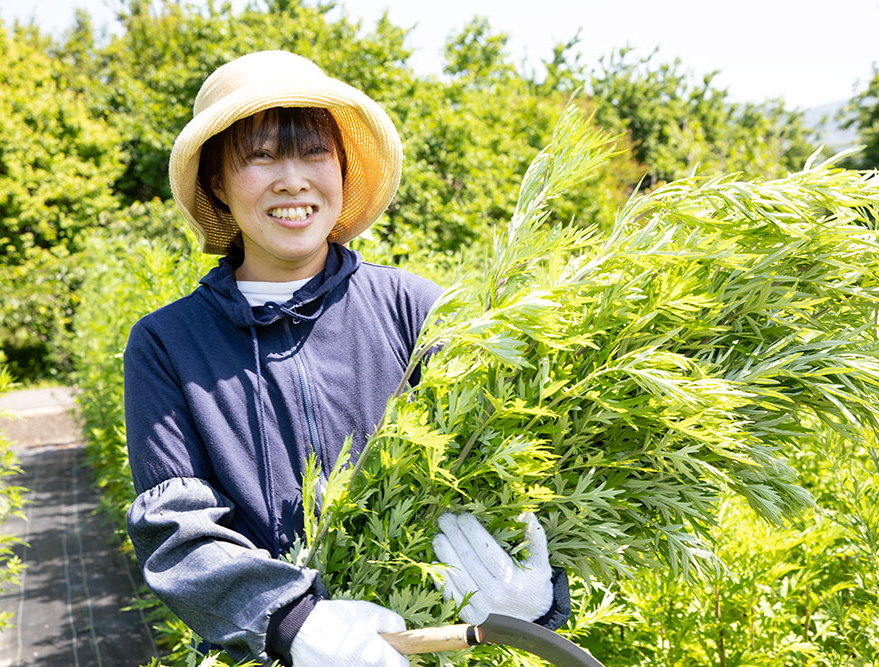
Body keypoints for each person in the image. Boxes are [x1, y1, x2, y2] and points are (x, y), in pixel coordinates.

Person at [123, 50, 569, 667]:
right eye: (260, 156)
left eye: (313, 152)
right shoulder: (169, 343)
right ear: (217, 184)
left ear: (340, 167)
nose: (293, 179)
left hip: (432, 650)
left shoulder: (415, 308)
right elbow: (174, 532)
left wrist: (537, 595)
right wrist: (293, 622)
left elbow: (516, 467)